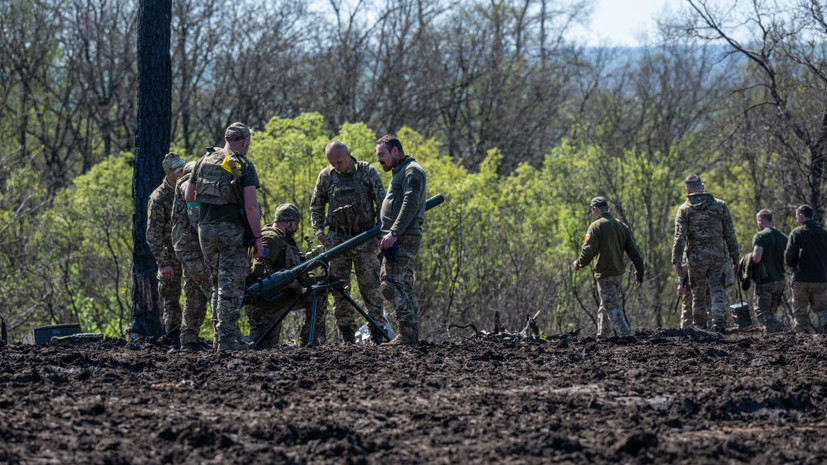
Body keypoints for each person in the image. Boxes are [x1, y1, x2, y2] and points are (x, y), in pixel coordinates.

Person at [184, 122, 263, 351]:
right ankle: (227, 341)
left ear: (226, 138)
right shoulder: (243, 165)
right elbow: (251, 207)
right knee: (231, 285)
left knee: (217, 282)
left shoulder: (203, 160)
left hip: (205, 230)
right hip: (231, 231)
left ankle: (221, 337)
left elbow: (189, 196)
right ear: (245, 141)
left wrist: (205, 219)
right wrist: (257, 237)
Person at [310, 140, 386, 344]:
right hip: (337, 239)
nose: (336, 166)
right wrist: (319, 233)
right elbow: (316, 206)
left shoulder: (367, 172)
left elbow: (382, 203)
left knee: (370, 286)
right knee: (339, 289)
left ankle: (378, 330)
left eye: (339, 162)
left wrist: (381, 230)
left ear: (349, 155)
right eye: (332, 162)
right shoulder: (326, 176)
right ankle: (347, 336)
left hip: (365, 237)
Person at [246, 204, 328, 348]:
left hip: (282, 298)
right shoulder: (270, 238)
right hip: (264, 304)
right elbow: (259, 273)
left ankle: (312, 343)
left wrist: (308, 277)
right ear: (287, 222)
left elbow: (294, 267)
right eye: (295, 224)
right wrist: (289, 281)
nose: (297, 228)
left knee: (318, 294)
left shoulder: (286, 240)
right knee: (262, 347)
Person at [375, 134, 427, 345]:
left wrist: (394, 232)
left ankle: (405, 334)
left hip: (403, 236)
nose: (379, 160)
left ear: (395, 151)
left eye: (381, 154)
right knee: (404, 285)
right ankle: (411, 335)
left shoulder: (411, 171)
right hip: (399, 236)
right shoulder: (402, 171)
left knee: (390, 284)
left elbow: (411, 202)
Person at [672, 174, 739, 333]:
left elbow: (679, 237)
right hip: (717, 258)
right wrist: (735, 257)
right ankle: (719, 324)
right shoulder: (720, 206)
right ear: (702, 186)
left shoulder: (684, 210)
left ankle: (700, 327)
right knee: (717, 291)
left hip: (696, 259)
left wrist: (677, 261)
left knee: (698, 294)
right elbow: (730, 234)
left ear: (687, 189)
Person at [572, 197, 645, 336]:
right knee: (605, 304)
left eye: (592, 211)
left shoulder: (596, 226)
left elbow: (588, 251)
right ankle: (603, 335)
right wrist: (640, 273)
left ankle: (626, 334)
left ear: (595, 209)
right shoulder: (621, 226)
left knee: (611, 307)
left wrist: (578, 263)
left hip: (605, 274)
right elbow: (635, 252)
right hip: (618, 274)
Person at [170, 161, 213, 351]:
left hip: (187, 248)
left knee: (194, 294)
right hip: (192, 248)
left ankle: (188, 340)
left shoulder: (181, 186)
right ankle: (225, 335)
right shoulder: (187, 183)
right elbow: (195, 216)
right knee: (213, 286)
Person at [146, 152, 186, 349]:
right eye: (180, 171)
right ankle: (174, 339)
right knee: (171, 301)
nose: (183, 174)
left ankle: (190, 337)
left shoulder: (186, 191)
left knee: (197, 296)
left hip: (189, 254)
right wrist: (164, 264)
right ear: (171, 174)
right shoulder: (159, 198)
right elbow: (152, 235)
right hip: (170, 257)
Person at [784, 204, 827, 333]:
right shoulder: (824, 234)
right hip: (820, 279)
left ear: (802, 216)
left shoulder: (797, 233)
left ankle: (802, 341)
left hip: (801, 278)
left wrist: (791, 265)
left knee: (800, 312)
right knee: (823, 310)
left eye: (797, 217)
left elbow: (789, 255)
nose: (797, 220)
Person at [750, 209, 788, 333]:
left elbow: (756, 258)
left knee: (762, 313)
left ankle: (783, 330)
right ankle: (770, 339)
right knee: (771, 313)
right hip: (780, 281)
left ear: (760, 220)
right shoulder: (784, 237)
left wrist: (747, 260)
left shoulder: (760, 236)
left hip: (766, 282)